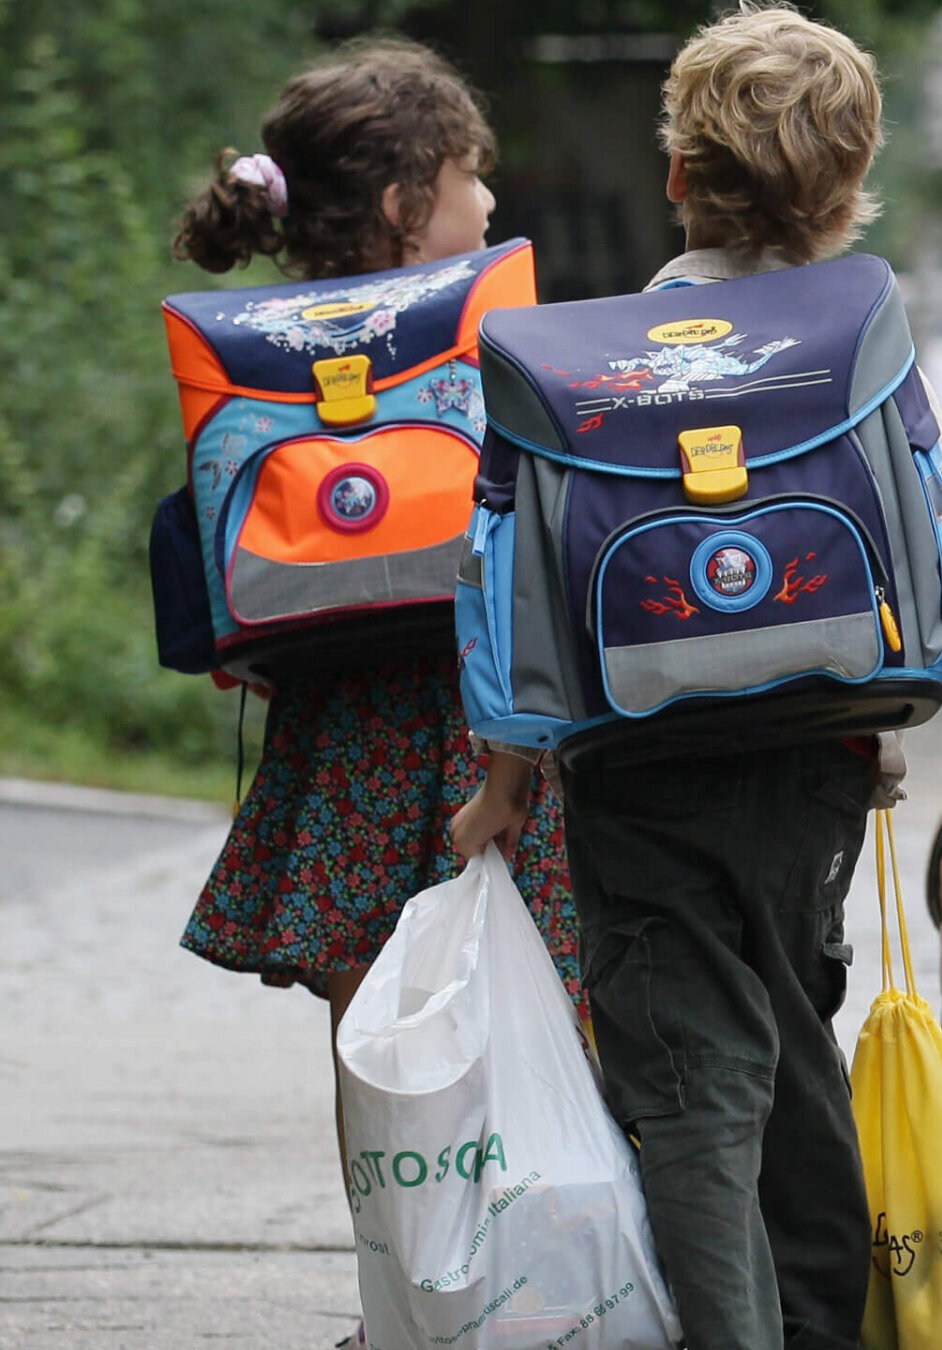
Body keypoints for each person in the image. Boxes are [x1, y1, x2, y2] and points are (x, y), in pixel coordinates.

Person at [449, 9, 942, 1348]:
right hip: (819, 758)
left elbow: (515, 590)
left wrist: (505, 781)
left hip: (636, 762)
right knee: (793, 1041)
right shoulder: (860, 333)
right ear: (851, 193)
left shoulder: (573, 365)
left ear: (676, 173)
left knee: (689, 1074)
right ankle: (815, 1320)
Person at [167, 42, 581, 1349]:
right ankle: (537, 1287)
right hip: (476, 719)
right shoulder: (479, 338)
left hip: (338, 727)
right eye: (472, 179)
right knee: (531, 1012)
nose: (489, 209)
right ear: (410, 203)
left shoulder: (256, 355)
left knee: (373, 1034)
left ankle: (399, 1306)